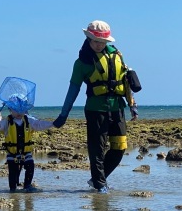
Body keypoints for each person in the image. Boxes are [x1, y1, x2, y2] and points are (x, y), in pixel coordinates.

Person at [52, 21, 138, 193]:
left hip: (117, 108)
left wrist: (132, 105)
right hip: (95, 110)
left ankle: (98, 179)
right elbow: (73, 89)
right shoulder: (82, 62)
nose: (98, 45)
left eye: (102, 42)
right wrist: (63, 115)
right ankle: (100, 185)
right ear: (88, 39)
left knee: (120, 147)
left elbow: (125, 82)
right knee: (97, 150)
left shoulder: (117, 56)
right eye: (95, 41)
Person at [0, 94, 54, 193]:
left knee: (30, 166)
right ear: (10, 109)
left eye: (22, 110)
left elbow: (39, 124)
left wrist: (53, 124)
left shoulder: (28, 120)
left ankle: (27, 185)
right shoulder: (7, 122)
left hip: (26, 153)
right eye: (16, 110)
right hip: (12, 153)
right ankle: (13, 189)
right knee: (13, 172)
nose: (19, 112)